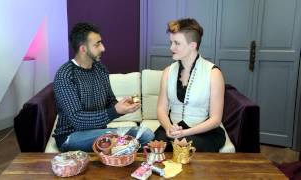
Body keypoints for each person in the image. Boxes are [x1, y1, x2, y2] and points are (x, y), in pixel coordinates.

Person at [53, 22, 154, 152]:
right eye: (97, 44)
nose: (103, 48)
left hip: (99, 132)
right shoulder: (65, 75)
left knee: (146, 134)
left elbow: (109, 101)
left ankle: (116, 157)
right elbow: (77, 120)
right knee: (131, 138)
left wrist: (122, 106)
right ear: (83, 49)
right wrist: (115, 111)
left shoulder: (100, 69)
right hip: (71, 136)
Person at [154, 18, 226, 152]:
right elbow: (161, 109)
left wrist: (185, 134)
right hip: (173, 129)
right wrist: (169, 127)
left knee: (184, 148)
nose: (171, 48)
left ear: (192, 45)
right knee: (155, 148)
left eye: (177, 43)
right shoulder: (168, 72)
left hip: (203, 133)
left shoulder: (213, 73)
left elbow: (216, 119)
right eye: (171, 42)